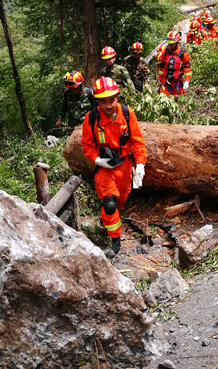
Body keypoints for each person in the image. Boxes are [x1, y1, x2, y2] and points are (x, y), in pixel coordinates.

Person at [81, 76, 146, 257]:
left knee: (119, 202)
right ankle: (115, 241)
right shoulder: (92, 118)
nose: (109, 105)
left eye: (112, 100)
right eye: (104, 101)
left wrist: (140, 164)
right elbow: (87, 145)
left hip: (124, 166)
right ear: (97, 101)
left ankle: (110, 219)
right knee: (109, 203)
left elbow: (137, 141)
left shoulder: (127, 113)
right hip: (105, 167)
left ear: (117, 97)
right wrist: (96, 160)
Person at [158, 30, 191, 95]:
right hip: (166, 81)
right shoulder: (165, 52)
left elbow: (186, 68)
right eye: (169, 43)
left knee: (178, 101)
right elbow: (162, 67)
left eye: (172, 43)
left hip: (177, 82)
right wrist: (160, 79)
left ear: (177, 42)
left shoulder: (183, 54)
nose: (171, 45)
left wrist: (187, 80)